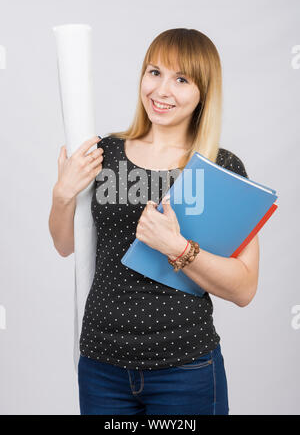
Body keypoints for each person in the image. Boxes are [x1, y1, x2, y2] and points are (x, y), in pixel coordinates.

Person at [49, 28, 260, 415]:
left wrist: (178, 249)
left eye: (181, 79)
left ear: (203, 93)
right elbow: (65, 245)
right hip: (101, 366)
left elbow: (244, 289)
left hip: (185, 367)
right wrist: (62, 194)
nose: (161, 90)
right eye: (154, 72)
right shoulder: (103, 152)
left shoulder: (218, 169)